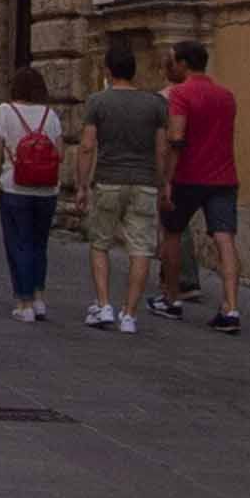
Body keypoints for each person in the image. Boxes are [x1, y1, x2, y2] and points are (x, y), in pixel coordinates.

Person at [73, 38, 170, 334]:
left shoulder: (97, 102)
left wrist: (82, 185)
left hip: (109, 180)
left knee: (100, 243)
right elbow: (162, 149)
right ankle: (129, 314)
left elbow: (87, 146)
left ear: (108, 71)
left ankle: (104, 305)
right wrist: (164, 182)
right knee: (140, 248)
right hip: (144, 182)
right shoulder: (155, 104)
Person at [154, 36, 243, 333]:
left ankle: (171, 298)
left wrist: (167, 180)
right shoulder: (226, 95)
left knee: (172, 233)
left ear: (183, 64)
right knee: (225, 239)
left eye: (172, 61)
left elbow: (176, 137)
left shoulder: (180, 94)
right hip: (223, 177)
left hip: (188, 176)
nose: (170, 66)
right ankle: (231, 307)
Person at [0, 65, 68, 322]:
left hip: (15, 187)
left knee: (19, 244)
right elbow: (60, 153)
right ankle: (39, 298)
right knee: (39, 244)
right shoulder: (50, 115)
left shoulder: (4, 111)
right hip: (47, 190)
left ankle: (24, 303)